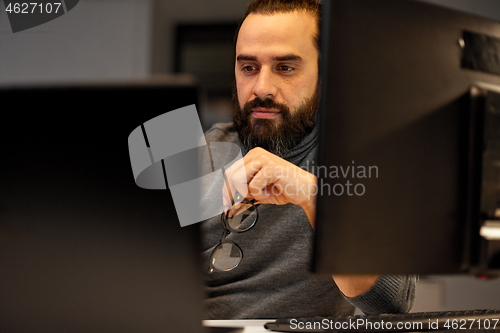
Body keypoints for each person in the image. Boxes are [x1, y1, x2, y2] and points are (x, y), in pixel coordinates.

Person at [200, 0, 416, 319]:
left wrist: (313, 196)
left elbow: (391, 302)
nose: (262, 88)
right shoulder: (202, 151)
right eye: (248, 68)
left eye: (285, 68)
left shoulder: (364, 158)